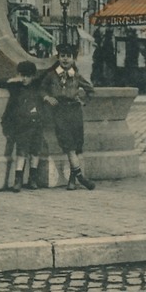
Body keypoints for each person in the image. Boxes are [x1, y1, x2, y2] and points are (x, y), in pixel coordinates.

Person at [41, 45, 95, 191]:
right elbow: (41, 88)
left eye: (68, 56)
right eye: (62, 55)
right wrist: (47, 97)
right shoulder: (51, 75)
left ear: (73, 59)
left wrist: (83, 101)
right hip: (60, 112)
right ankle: (81, 178)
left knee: (76, 145)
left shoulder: (76, 76)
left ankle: (72, 180)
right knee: (68, 145)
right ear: (58, 57)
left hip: (75, 112)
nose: (65, 59)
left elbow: (90, 90)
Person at [2, 60, 45, 192]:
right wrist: (14, 79)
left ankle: (33, 179)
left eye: (28, 76)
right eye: (22, 75)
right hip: (22, 125)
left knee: (35, 152)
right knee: (21, 152)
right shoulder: (16, 88)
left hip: (36, 123)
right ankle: (18, 180)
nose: (25, 79)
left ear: (33, 76)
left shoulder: (37, 87)